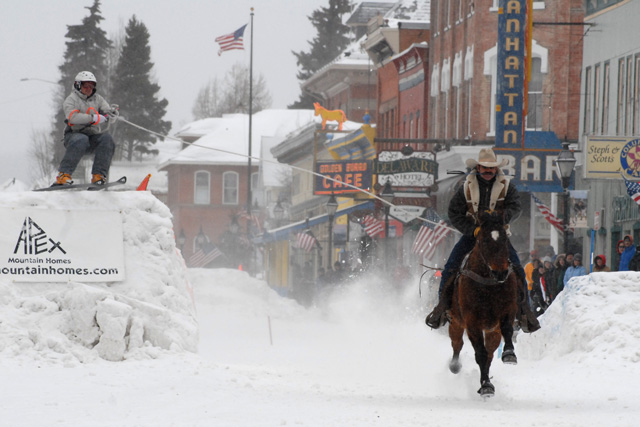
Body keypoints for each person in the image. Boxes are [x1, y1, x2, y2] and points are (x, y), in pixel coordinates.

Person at [425, 147, 540, 333]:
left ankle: (524, 311)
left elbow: (516, 207)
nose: (488, 171)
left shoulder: (506, 186)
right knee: (451, 267)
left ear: (495, 169)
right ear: (478, 168)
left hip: (498, 237)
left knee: (518, 268)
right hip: (474, 235)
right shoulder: (466, 188)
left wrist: (500, 220)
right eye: (484, 168)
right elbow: (454, 213)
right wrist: (473, 229)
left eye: (491, 168)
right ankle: (442, 309)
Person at [53, 71, 118, 186]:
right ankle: (63, 175)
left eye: (91, 86)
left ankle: (98, 176)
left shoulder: (98, 99)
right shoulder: (71, 100)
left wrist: (112, 115)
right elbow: (72, 118)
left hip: (92, 137)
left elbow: (107, 112)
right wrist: (94, 118)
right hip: (74, 136)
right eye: (85, 86)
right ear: (78, 85)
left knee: (107, 139)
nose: (89, 89)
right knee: (81, 139)